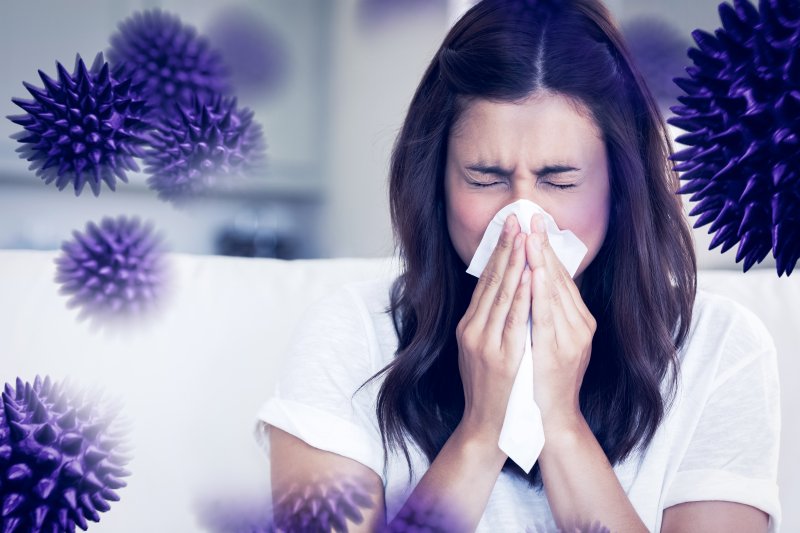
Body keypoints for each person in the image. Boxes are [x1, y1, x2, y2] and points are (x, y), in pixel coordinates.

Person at [255, 0, 781, 531]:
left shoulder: (718, 347)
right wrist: (481, 433)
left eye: (560, 181)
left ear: (621, 186)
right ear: (435, 182)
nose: (522, 221)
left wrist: (561, 425)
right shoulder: (350, 335)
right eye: (485, 178)